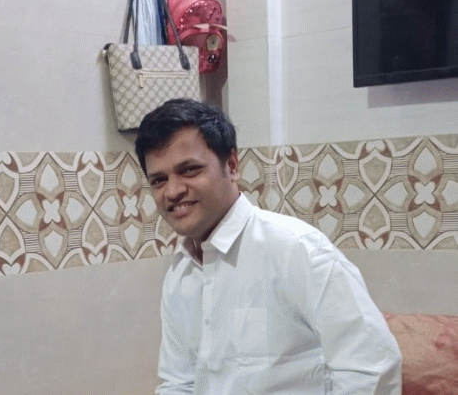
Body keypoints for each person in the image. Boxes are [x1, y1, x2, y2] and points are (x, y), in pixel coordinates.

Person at [135, 98, 402, 395]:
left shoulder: (296, 250)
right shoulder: (180, 274)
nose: (173, 191)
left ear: (232, 166)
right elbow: (178, 382)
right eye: (159, 180)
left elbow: (372, 368)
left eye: (189, 170)